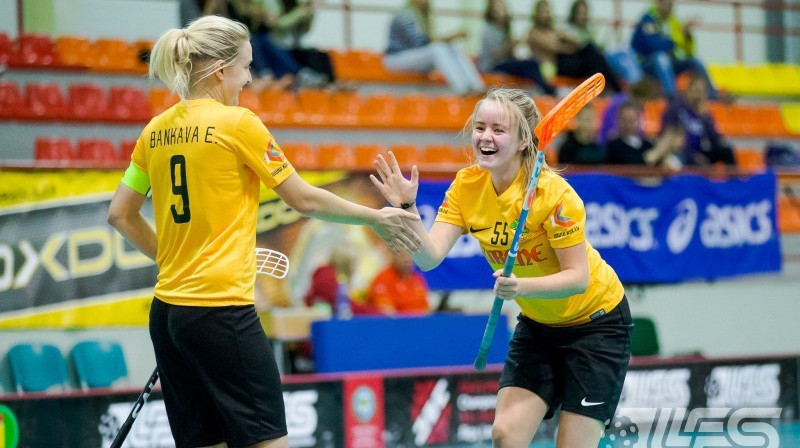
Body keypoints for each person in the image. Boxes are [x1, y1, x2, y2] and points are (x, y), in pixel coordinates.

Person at [106, 15, 421, 448]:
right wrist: (375, 217)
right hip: (221, 312)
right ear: (220, 70)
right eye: (246, 66)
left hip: (169, 314)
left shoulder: (154, 131)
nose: (250, 78)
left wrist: (173, 261)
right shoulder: (239, 124)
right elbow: (304, 200)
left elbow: (120, 215)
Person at [370, 88, 632, 448]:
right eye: (480, 127)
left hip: (596, 326)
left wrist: (519, 288)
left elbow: (577, 278)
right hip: (541, 327)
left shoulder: (554, 195)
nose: (485, 137)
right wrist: (408, 208)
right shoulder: (467, 186)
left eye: (498, 129)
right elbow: (429, 258)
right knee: (505, 434)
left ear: (524, 140)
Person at [384, 0, 485, 95]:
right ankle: (463, 90)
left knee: (452, 47)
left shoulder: (423, 16)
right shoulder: (405, 15)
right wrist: (450, 36)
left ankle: (477, 87)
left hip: (414, 58)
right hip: (396, 59)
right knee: (437, 49)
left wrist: (449, 40)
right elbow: (419, 42)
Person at [527, 0, 621, 93]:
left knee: (592, 52)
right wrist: (568, 45)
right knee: (590, 51)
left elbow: (576, 41)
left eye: (547, 11)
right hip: (554, 68)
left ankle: (609, 87)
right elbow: (555, 47)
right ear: (536, 14)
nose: (546, 15)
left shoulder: (554, 31)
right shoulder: (534, 33)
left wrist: (567, 42)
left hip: (564, 63)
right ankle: (614, 88)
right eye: (542, 12)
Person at [631, 0, 718, 99]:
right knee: (661, 58)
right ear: (657, 3)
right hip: (646, 64)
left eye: (671, 3)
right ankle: (671, 96)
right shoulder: (648, 20)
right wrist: (679, 36)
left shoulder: (674, 22)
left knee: (694, 61)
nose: (668, 6)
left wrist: (687, 35)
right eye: (665, 3)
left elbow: (689, 52)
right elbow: (654, 46)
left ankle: (713, 97)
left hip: (668, 64)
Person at [478, 0, 556, 95]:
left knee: (530, 63)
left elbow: (508, 55)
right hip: (492, 66)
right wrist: (510, 45)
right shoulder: (489, 31)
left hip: (503, 63)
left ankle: (541, 90)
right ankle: (549, 90)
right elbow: (493, 55)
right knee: (532, 64)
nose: (501, 12)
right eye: (497, 9)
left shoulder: (504, 30)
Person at [660, 73, 734, 166]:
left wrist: (705, 117)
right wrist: (692, 154)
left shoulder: (703, 112)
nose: (698, 95)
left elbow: (715, 140)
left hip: (699, 151)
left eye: (701, 92)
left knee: (726, 151)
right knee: (689, 159)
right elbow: (667, 133)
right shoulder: (676, 108)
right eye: (696, 90)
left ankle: (734, 180)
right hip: (681, 152)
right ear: (688, 90)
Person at [606, 101, 684, 171]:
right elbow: (633, 166)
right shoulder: (613, 146)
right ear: (618, 120)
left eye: (632, 119)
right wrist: (658, 150)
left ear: (639, 119)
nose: (629, 123)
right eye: (625, 119)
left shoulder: (648, 145)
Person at [367, 246, 430, 314]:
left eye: (410, 255)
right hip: (397, 323)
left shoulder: (418, 279)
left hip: (421, 322)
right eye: (402, 256)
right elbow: (387, 312)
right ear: (392, 255)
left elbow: (426, 308)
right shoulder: (383, 279)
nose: (407, 259)